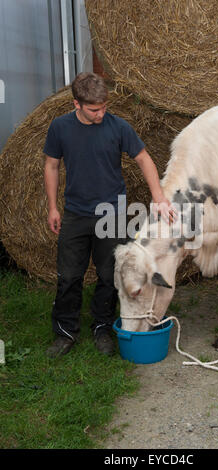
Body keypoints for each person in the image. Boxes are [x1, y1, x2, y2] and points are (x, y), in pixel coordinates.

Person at [44, 72, 175, 358]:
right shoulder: (60, 127)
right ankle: (65, 333)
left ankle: (102, 329)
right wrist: (53, 207)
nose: (101, 113)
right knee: (68, 277)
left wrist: (159, 198)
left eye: (104, 106)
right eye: (94, 109)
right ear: (76, 104)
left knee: (108, 277)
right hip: (75, 213)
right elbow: (51, 165)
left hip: (111, 214)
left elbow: (143, 158)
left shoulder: (118, 126)